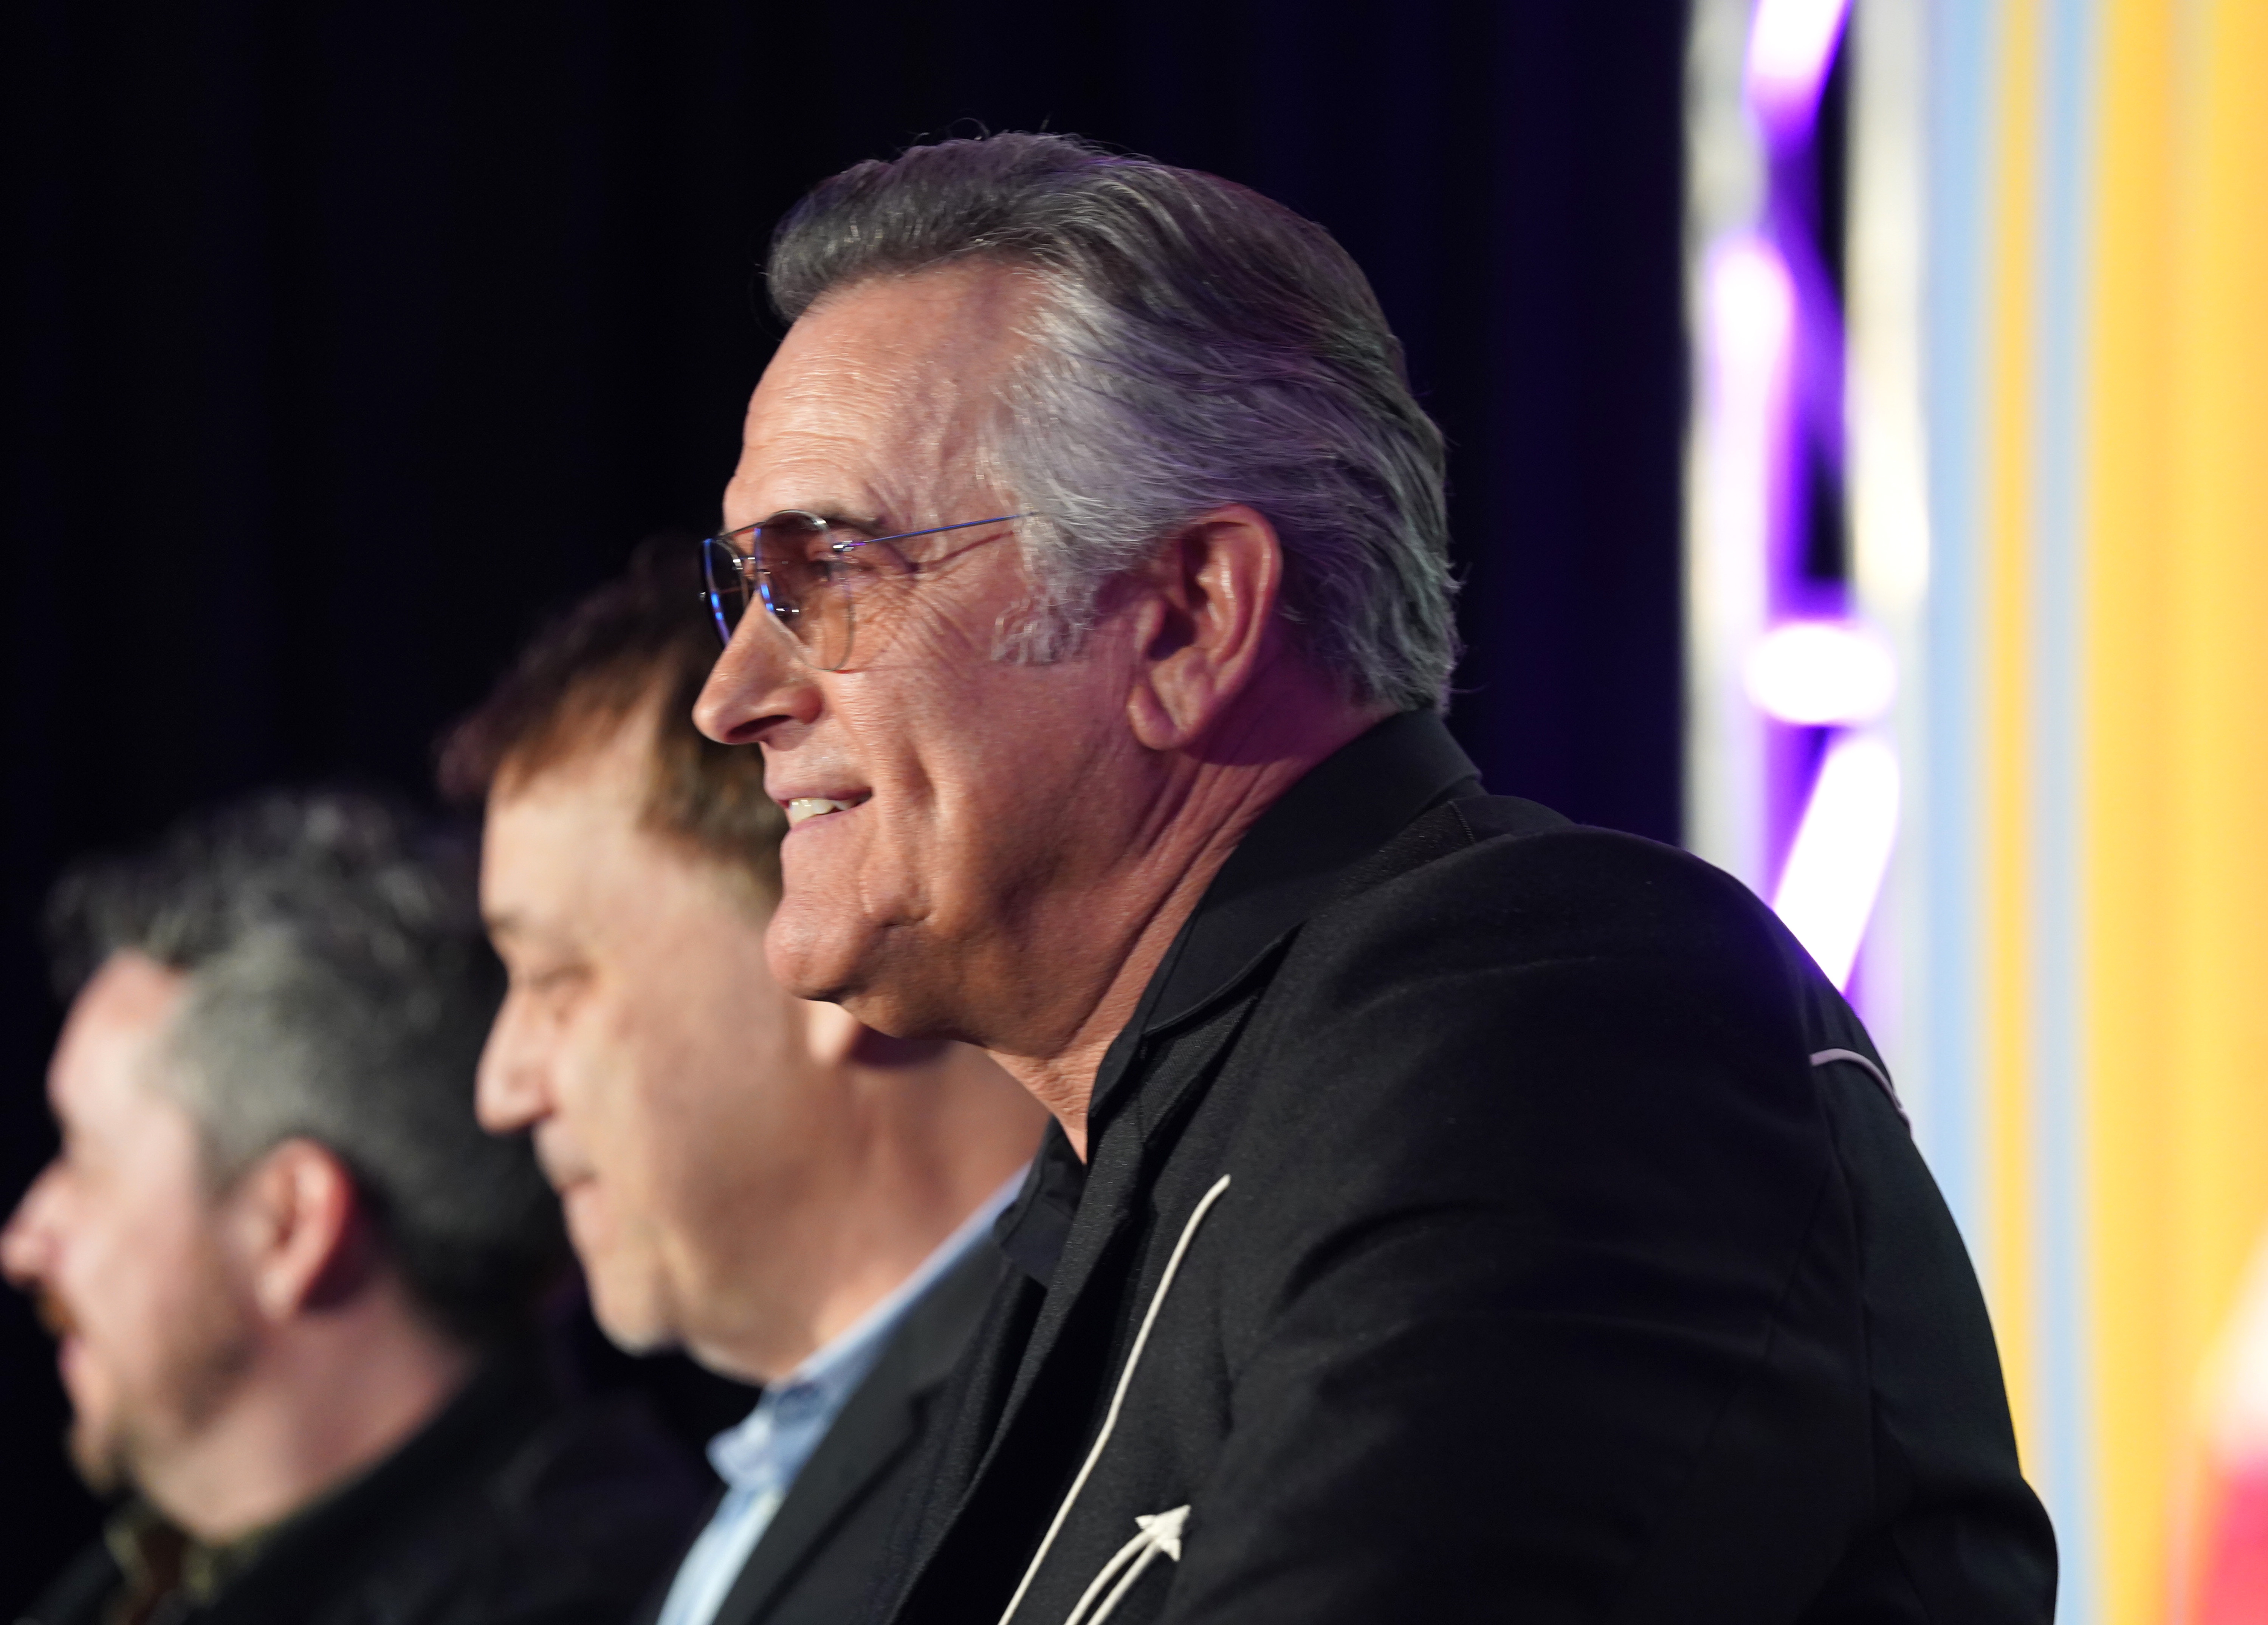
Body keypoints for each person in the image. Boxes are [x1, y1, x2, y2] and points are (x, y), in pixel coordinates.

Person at [689, 131, 2060, 1623]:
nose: (732, 691)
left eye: (828, 572)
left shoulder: (1562, 1022)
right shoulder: (1124, 1159)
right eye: (751, 585)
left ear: (1188, 616)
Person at [441, 543, 1045, 1625]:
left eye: (553, 978)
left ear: (829, 949)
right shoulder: (768, 1494)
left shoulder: (1054, 1456)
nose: (503, 1089)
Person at [2, 791, 702, 1625]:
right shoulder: (164, 1575)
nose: (22, 1243)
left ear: (289, 1225)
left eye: (85, 1159)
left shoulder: (580, 1596)